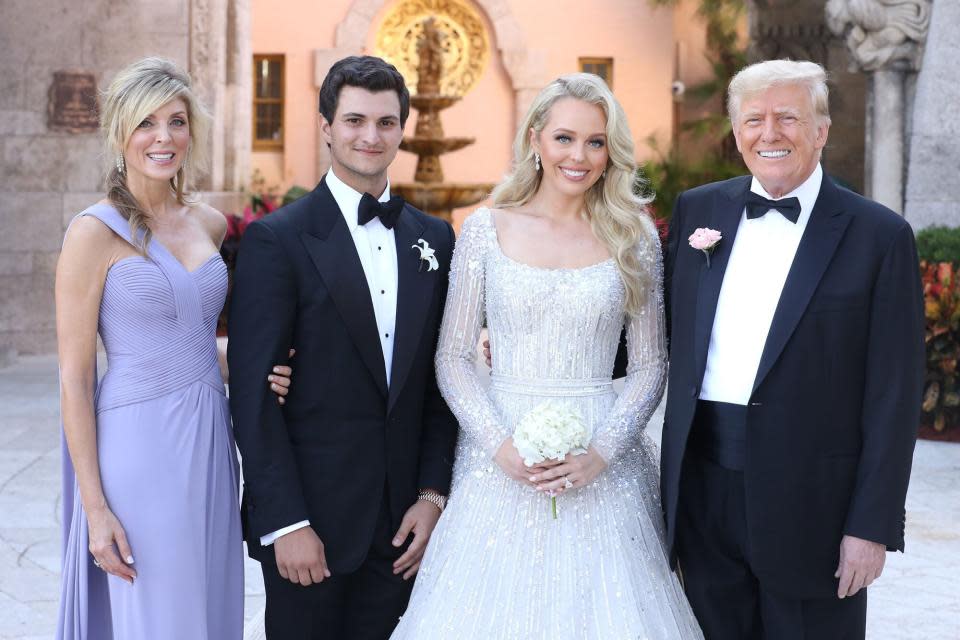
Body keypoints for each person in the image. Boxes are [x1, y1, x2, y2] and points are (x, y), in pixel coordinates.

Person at [391, 73, 703, 639]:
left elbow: (652, 364)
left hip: (603, 460)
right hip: (499, 459)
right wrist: (499, 446)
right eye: (564, 138)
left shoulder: (633, 236)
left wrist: (602, 452)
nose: (578, 156)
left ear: (612, 151)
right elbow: (454, 357)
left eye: (595, 141)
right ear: (535, 138)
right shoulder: (486, 229)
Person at [660, 59, 925, 639]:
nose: (769, 133)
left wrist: (871, 526)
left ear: (822, 129)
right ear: (736, 132)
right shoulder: (698, 211)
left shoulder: (879, 236)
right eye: (753, 119)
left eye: (788, 117)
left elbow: (894, 396)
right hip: (704, 494)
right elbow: (657, 334)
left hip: (817, 510)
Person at [54, 57, 295, 639]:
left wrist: (256, 369)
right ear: (119, 132)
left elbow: (190, 337)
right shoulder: (93, 232)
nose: (164, 137)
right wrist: (95, 508)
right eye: (146, 123)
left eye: (177, 121)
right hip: (138, 446)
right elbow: (73, 378)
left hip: (211, 439)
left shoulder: (208, 224)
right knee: (157, 609)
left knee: (206, 603)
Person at [227, 55, 458, 640]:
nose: (370, 136)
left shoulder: (434, 239)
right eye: (354, 120)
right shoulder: (275, 240)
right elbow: (253, 399)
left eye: (385, 122)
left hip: (404, 530)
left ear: (402, 128)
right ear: (326, 126)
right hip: (312, 528)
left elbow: (440, 381)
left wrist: (432, 497)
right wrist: (285, 523)